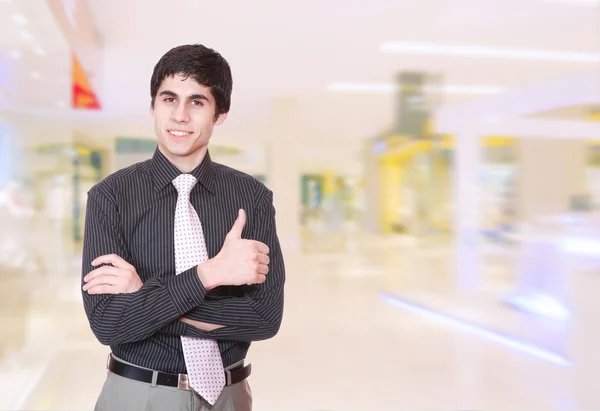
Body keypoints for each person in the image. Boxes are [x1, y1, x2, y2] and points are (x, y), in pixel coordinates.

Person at [80, 44, 285, 411]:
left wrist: (145, 297)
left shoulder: (251, 198)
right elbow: (109, 324)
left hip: (230, 396)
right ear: (153, 106)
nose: (179, 116)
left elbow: (264, 319)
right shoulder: (110, 197)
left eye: (197, 102)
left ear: (219, 113)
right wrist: (210, 274)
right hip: (137, 394)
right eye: (168, 99)